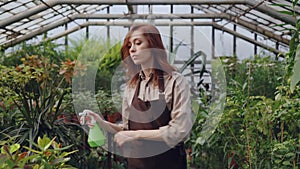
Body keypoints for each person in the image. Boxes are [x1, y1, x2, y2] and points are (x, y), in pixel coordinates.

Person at [80, 23, 193, 169]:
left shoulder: (175, 81)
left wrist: (136, 135)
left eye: (138, 43)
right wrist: (101, 122)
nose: (132, 49)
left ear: (153, 46)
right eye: (129, 46)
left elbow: (180, 131)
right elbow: (127, 130)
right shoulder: (132, 86)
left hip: (169, 163)